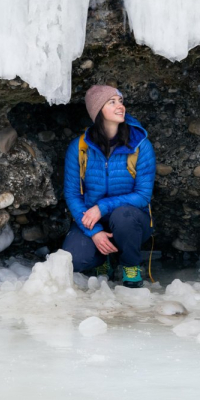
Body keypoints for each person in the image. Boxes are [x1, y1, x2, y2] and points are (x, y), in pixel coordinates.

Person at [60, 85, 156, 288]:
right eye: (112, 102)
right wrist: (94, 232)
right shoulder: (79, 148)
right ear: (97, 110)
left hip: (130, 220)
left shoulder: (140, 146)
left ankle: (130, 265)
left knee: (123, 216)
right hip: (91, 220)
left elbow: (143, 195)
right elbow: (72, 194)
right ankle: (103, 260)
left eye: (120, 101)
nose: (120, 106)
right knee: (75, 259)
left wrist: (102, 207)